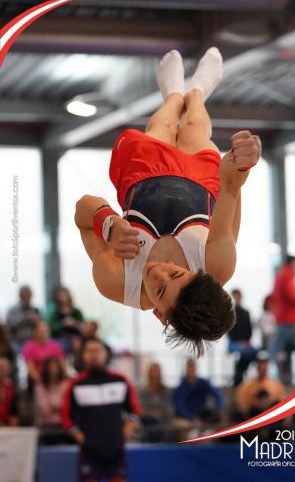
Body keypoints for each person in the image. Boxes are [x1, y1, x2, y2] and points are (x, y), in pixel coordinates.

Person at [75, 47, 261, 357]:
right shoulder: (217, 265)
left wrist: (109, 225)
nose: (158, 272)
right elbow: (230, 185)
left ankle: (173, 93)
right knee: (193, 127)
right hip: (201, 180)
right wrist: (243, 161)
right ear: (199, 274)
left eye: (159, 290)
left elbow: (82, 211)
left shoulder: (118, 281)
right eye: (176, 274)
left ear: (160, 314)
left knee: (161, 126)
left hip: (141, 177)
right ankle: (199, 90)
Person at [62, 337, 141, 482]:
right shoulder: (75, 384)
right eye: (89, 351)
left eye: (97, 350)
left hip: (116, 451)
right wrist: (80, 437)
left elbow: (134, 411)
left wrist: (127, 429)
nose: (94, 354)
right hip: (89, 452)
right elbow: (67, 417)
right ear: (83, 355)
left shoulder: (121, 380)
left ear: (105, 354)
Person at [269, 255, 295, 385]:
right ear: (292, 263)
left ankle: (285, 377)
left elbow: (273, 297)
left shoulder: (279, 275)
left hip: (282, 318)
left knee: (285, 350)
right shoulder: (288, 275)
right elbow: (291, 296)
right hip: (289, 319)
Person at [173, 359, 224, 426]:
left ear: (196, 368)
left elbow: (218, 395)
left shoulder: (203, 383)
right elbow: (180, 407)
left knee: (219, 423)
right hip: (186, 419)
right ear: (186, 369)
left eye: (193, 367)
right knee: (182, 424)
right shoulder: (180, 388)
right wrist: (192, 418)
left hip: (203, 416)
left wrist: (217, 409)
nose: (192, 369)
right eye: (189, 367)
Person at [235, 351, 285, 418]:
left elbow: (282, 403)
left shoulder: (276, 385)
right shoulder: (246, 386)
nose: (262, 366)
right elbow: (242, 406)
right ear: (256, 366)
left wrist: (268, 404)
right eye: (260, 364)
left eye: (264, 364)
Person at [227, 289, 256, 385]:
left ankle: (239, 373)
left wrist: (246, 341)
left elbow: (249, 329)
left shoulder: (246, 313)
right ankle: (239, 375)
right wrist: (240, 341)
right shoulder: (230, 313)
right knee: (245, 352)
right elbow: (229, 332)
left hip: (245, 343)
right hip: (234, 343)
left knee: (254, 352)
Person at [139, 362, 172, 442]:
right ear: (149, 374)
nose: (155, 375)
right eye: (152, 372)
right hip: (146, 421)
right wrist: (153, 413)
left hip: (162, 421)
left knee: (159, 423)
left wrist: (157, 413)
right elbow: (140, 410)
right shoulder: (142, 391)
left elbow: (168, 409)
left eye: (157, 372)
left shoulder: (166, 391)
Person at [46, 286, 84, 352]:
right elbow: (51, 328)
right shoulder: (54, 312)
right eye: (61, 295)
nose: (63, 298)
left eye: (65, 295)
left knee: (80, 344)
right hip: (60, 338)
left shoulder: (76, 311)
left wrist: (75, 323)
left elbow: (83, 326)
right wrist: (63, 323)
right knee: (62, 345)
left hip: (76, 337)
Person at [34, 357, 68, 427]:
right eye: (50, 368)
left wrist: (56, 407)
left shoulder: (66, 384)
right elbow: (44, 408)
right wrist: (59, 407)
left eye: (56, 367)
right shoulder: (40, 386)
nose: (53, 371)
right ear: (46, 369)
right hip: (45, 423)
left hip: (64, 423)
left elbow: (67, 406)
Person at [6, 285, 41, 350]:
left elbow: (42, 325)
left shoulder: (36, 309)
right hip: (17, 341)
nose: (27, 297)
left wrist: (36, 321)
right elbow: (9, 325)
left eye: (29, 295)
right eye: (25, 295)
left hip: (34, 341)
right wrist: (24, 317)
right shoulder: (12, 310)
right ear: (20, 296)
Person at [0, 357, 19, 426]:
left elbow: (14, 411)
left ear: (8, 371)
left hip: (7, 425)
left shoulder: (12, 388)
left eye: (2, 368)